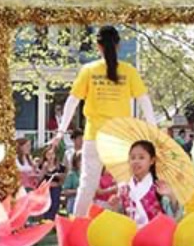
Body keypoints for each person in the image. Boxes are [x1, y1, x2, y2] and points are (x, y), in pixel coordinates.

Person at [56, 26, 156, 217]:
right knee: (125, 182)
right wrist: (153, 130)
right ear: (118, 46)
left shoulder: (89, 70)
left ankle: (78, 229)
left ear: (97, 46)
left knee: (87, 184)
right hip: (120, 137)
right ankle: (133, 226)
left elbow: (72, 101)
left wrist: (61, 132)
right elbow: (144, 100)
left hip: (94, 136)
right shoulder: (129, 71)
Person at [108, 140, 181, 226]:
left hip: (156, 237)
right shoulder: (124, 188)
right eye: (132, 157)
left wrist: (171, 196)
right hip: (131, 237)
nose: (136, 161)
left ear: (152, 160)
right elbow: (120, 220)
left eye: (141, 157)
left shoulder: (159, 187)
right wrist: (115, 207)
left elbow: (176, 218)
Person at [39, 146, 65, 220]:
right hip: (46, 189)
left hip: (56, 188)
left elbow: (63, 181)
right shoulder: (42, 166)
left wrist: (59, 177)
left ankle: (52, 221)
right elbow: (40, 179)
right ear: (45, 156)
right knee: (46, 205)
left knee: (54, 205)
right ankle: (46, 220)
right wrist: (44, 170)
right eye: (48, 154)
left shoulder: (60, 167)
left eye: (52, 154)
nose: (50, 156)